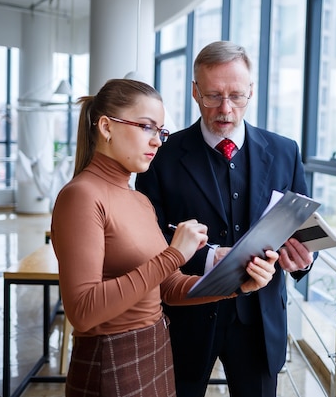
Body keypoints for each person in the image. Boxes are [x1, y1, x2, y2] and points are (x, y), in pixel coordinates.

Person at [50, 78, 279, 397]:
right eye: (146, 127)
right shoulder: (82, 197)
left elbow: (169, 288)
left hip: (156, 349)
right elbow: (83, 311)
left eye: (161, 131)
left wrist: (236, 283)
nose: (157, 141)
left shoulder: (139, 200)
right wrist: (174, 255)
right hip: (110, 360)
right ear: (106, 127)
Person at [135, 41, 315, 397]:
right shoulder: (161, 155)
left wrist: (303, 261)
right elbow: (150, 235)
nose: (226, 109)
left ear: (251, 92)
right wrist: (209, 258)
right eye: (213, 96)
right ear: (194, 92)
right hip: (185, 319)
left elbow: (302, 225)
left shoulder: (285, 151)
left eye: (236, 95)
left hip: (260, 323)